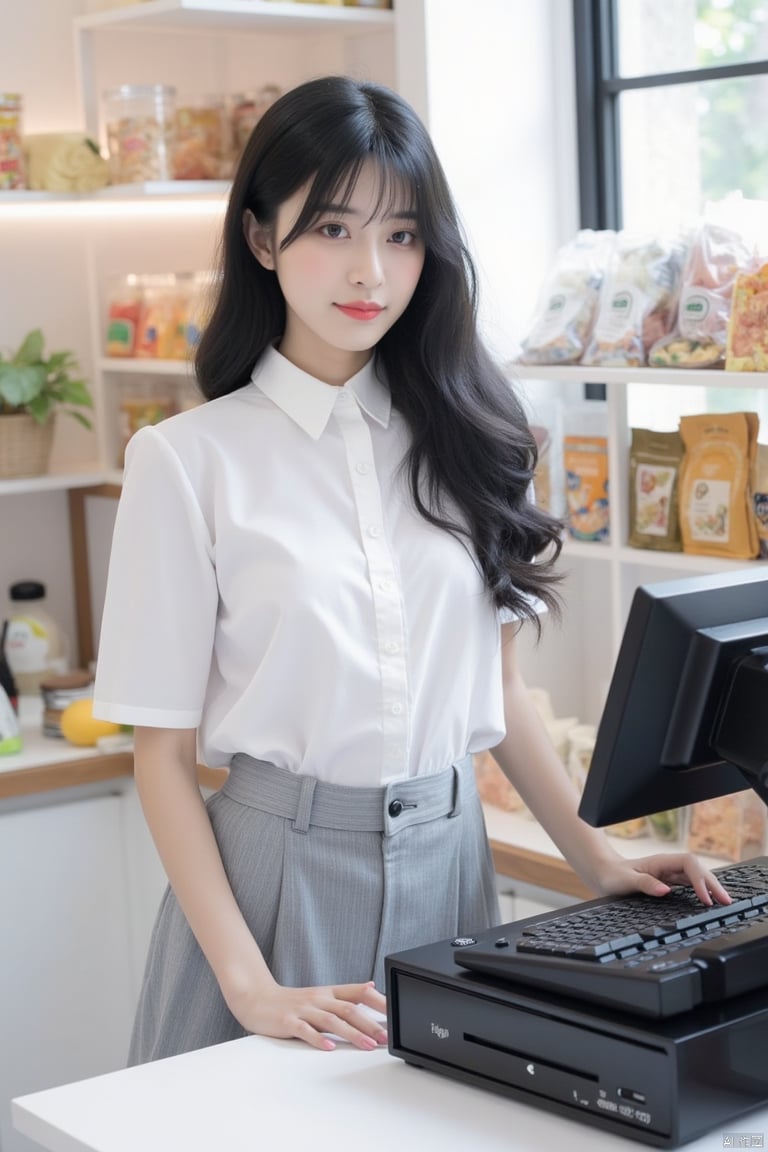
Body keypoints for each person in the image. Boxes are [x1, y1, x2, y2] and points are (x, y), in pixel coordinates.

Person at [93, 75, 730, 1066]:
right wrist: (249, 982)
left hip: (450, 859)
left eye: (400, 235)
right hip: (273, 877)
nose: (371, 271)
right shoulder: (187, 459)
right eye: (334, 229)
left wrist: (597, 854)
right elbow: (161, 759)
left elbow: (500, 688)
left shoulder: (479, 436)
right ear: (262, 240)